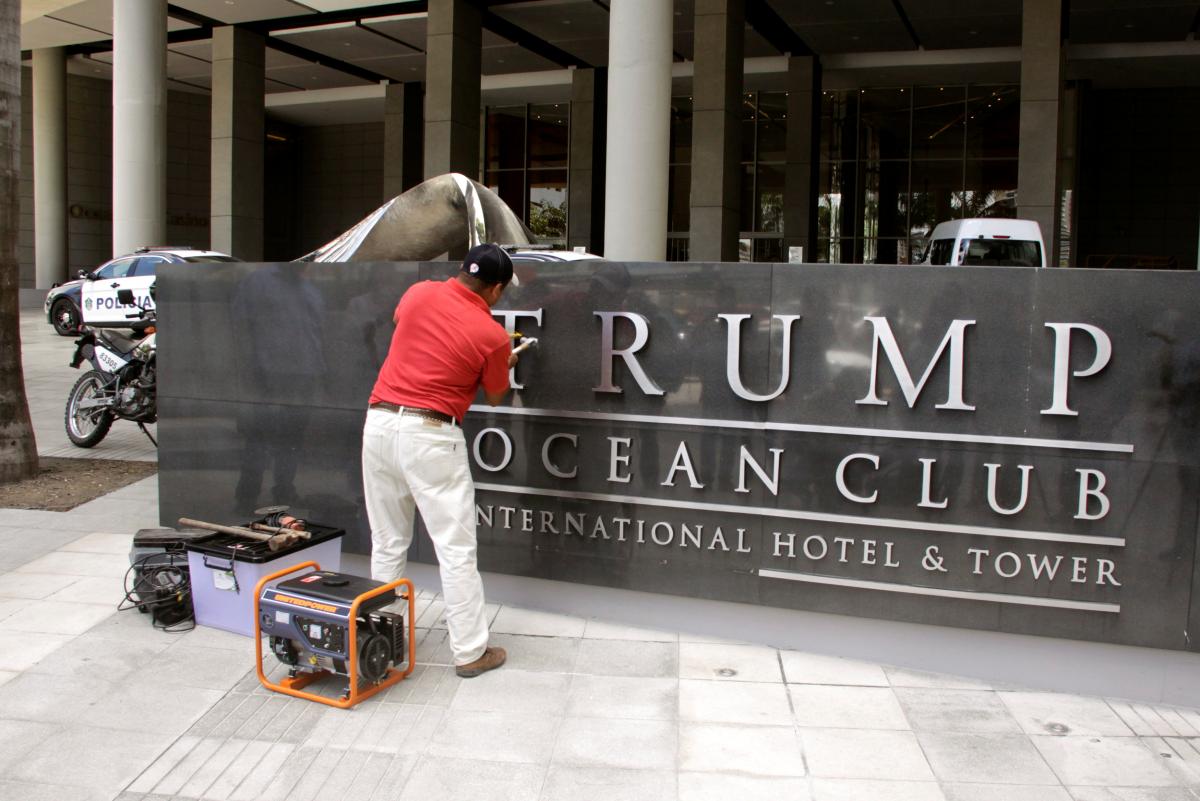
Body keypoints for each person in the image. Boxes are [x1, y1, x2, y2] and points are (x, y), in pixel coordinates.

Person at [362, 243, 520, 678]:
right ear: (495, 289)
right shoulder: (492, 334)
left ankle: (380, 638)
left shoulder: (418, 293)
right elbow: (494, 393)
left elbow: (407, 327)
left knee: (388, 539)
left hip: (378, 424)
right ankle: (470, 652)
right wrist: (503, 362)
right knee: (454, 550)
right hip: (430, 434)